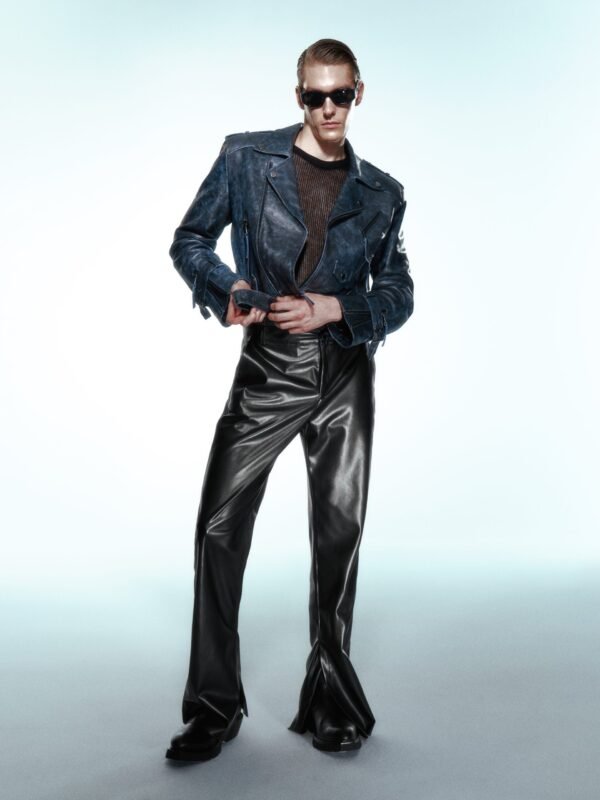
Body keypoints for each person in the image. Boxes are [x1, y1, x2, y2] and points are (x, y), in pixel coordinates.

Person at [165, 38, 414, 762]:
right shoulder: (246, 159)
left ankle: (331, 697)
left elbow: (397, 291)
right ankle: (214, 707)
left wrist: (338, 308)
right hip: (269, 366)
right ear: (297, 95)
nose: (328, 108)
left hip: (344, 375)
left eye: (340, 95)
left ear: (358, 93)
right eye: (315, 96)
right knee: (218, 527)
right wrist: (228, 288)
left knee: (338, 540)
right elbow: (189, 240)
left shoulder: (382, 193)